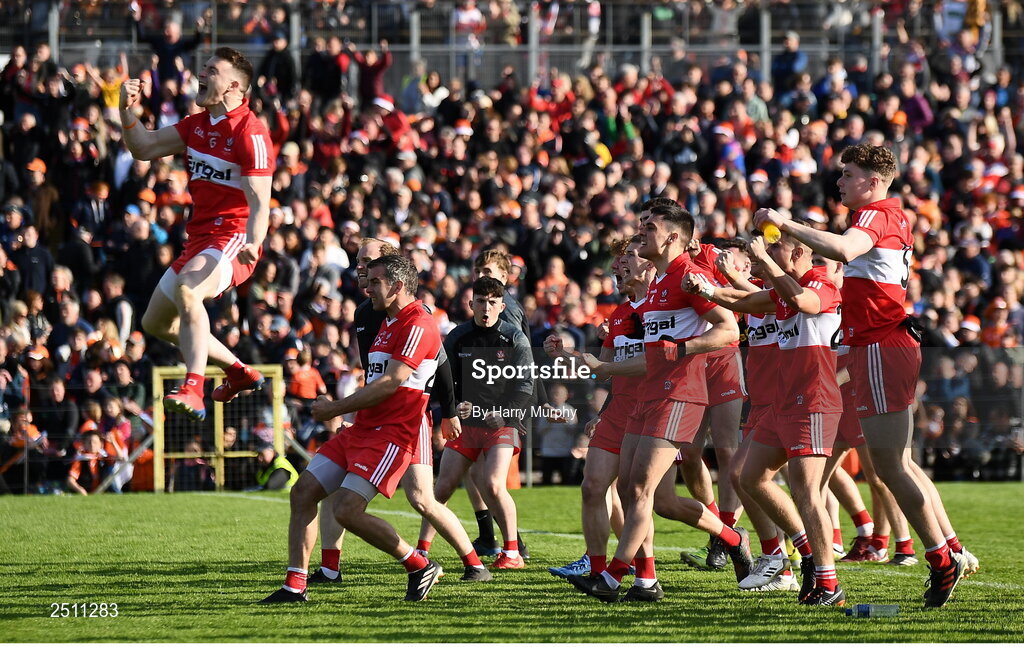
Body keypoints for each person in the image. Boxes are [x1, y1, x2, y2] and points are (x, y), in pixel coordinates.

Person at [753, 143, 975, 608]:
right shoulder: (886, 216)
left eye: (848, 174)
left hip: (880, 343)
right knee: (899, 463)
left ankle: (939, 557)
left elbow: (840, 247)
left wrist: (785, 221)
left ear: (873, 182)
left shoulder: (875, 215)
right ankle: (945, 550)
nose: (839, 182)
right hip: (877, 345)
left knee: (890, 466)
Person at [567, 198, 748, 603]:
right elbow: (650, 358)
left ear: (671, 238)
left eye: (649, 228)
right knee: (649, 496)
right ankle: (729, 538)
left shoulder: (688, 276)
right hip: (648, 397)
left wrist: (682, 349)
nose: (641, 232)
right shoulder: (656, 290)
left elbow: (729, 330)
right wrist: (604, 367)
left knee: (640, 491)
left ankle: (613, 578)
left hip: (680, 395)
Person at [303, 238, 490, 589]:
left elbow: (431, 366)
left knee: (421, 497)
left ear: (392, 270)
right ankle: (329, 568)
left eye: (369, 263)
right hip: (374, 413)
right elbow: (372, 371)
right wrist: (356, 411)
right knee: (330, 490)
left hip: (405, 417)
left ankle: (472, 561)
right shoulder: (368, 312)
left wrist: (448, 411)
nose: (361, 269)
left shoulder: (415, 318)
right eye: (359, 262)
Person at [262, 255, 445, 603]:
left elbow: (391, 382)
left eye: (374, 281)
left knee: (346, 509)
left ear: (397, 285)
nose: (366, 287)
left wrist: (334, 407)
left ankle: (418, 563)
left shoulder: (418, 323)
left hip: (391, 434)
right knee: (302, 493)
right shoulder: (389, 322)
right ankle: (295, 586)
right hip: (363, 429)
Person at [687, 230, 847, 606]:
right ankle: (802, 554)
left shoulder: (820, 281)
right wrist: (705, 290)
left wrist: (766, 265)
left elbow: (804, 302)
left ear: (802, 251)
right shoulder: (781, 287)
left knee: (808, 493)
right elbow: (744, 300)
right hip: (782, 403)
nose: (768, 251)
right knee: (746, 476)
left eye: (777, 245)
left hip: (814, 401)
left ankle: (827, 581)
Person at [119, 47, 274, 421]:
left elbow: (259, 204)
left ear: (234, 85)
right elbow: (144, 147)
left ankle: (193, 388)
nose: (200, 75)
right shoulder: (198, 124)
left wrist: (253, 241)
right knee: (155, 322)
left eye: (210, 71)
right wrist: (125, 110)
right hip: (200, 240)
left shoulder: (250, 133)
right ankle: (237, 371)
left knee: (189, 291)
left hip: (234, 239)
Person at [546, 236, 651, 580]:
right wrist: (565, 356)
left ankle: (727, 537)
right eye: (617, 264)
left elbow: (652, 363)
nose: (618, 269)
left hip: (654, 409)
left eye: (627, 261)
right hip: (619, 409)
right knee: (594, 487)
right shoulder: (620, 314)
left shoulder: (662, 307)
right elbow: (602, 367)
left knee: (645, 497)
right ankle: (596, 569)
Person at [417, 276, 534, 570]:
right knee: (441, 488)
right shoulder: (458, 337)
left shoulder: (514, 338)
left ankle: (511, 553)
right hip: (467, 425)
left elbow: (525, 386)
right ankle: (422, 550)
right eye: (480, 301)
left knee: (493, 484)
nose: (486, 308)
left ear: (501, 306)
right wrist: (453, 408)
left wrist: (505, 414)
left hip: (502, 425)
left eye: (493, 302)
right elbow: (445, 381)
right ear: (471, 304)